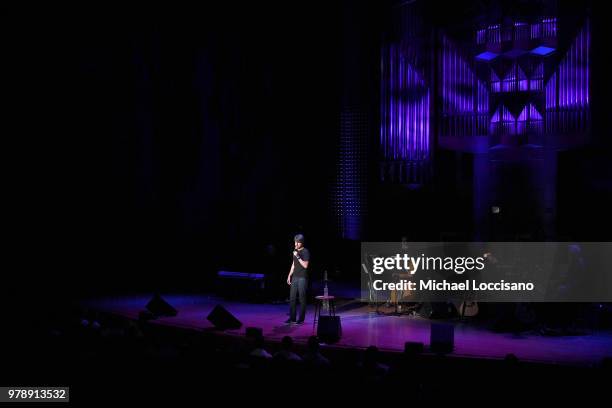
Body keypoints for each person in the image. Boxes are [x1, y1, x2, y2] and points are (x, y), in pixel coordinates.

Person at [286, 234, 310, 324]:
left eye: (298, 242)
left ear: (302, 242)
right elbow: (293, 264)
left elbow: (305, 265)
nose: (296, 244)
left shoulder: (305, 252)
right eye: (295, 242)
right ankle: (292, 318)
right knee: (292, 298)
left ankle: (301, 319)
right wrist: (289, 275)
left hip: (302, 278)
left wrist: (298, 256)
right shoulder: (295, 251)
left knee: (302, 299)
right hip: (295, 276)